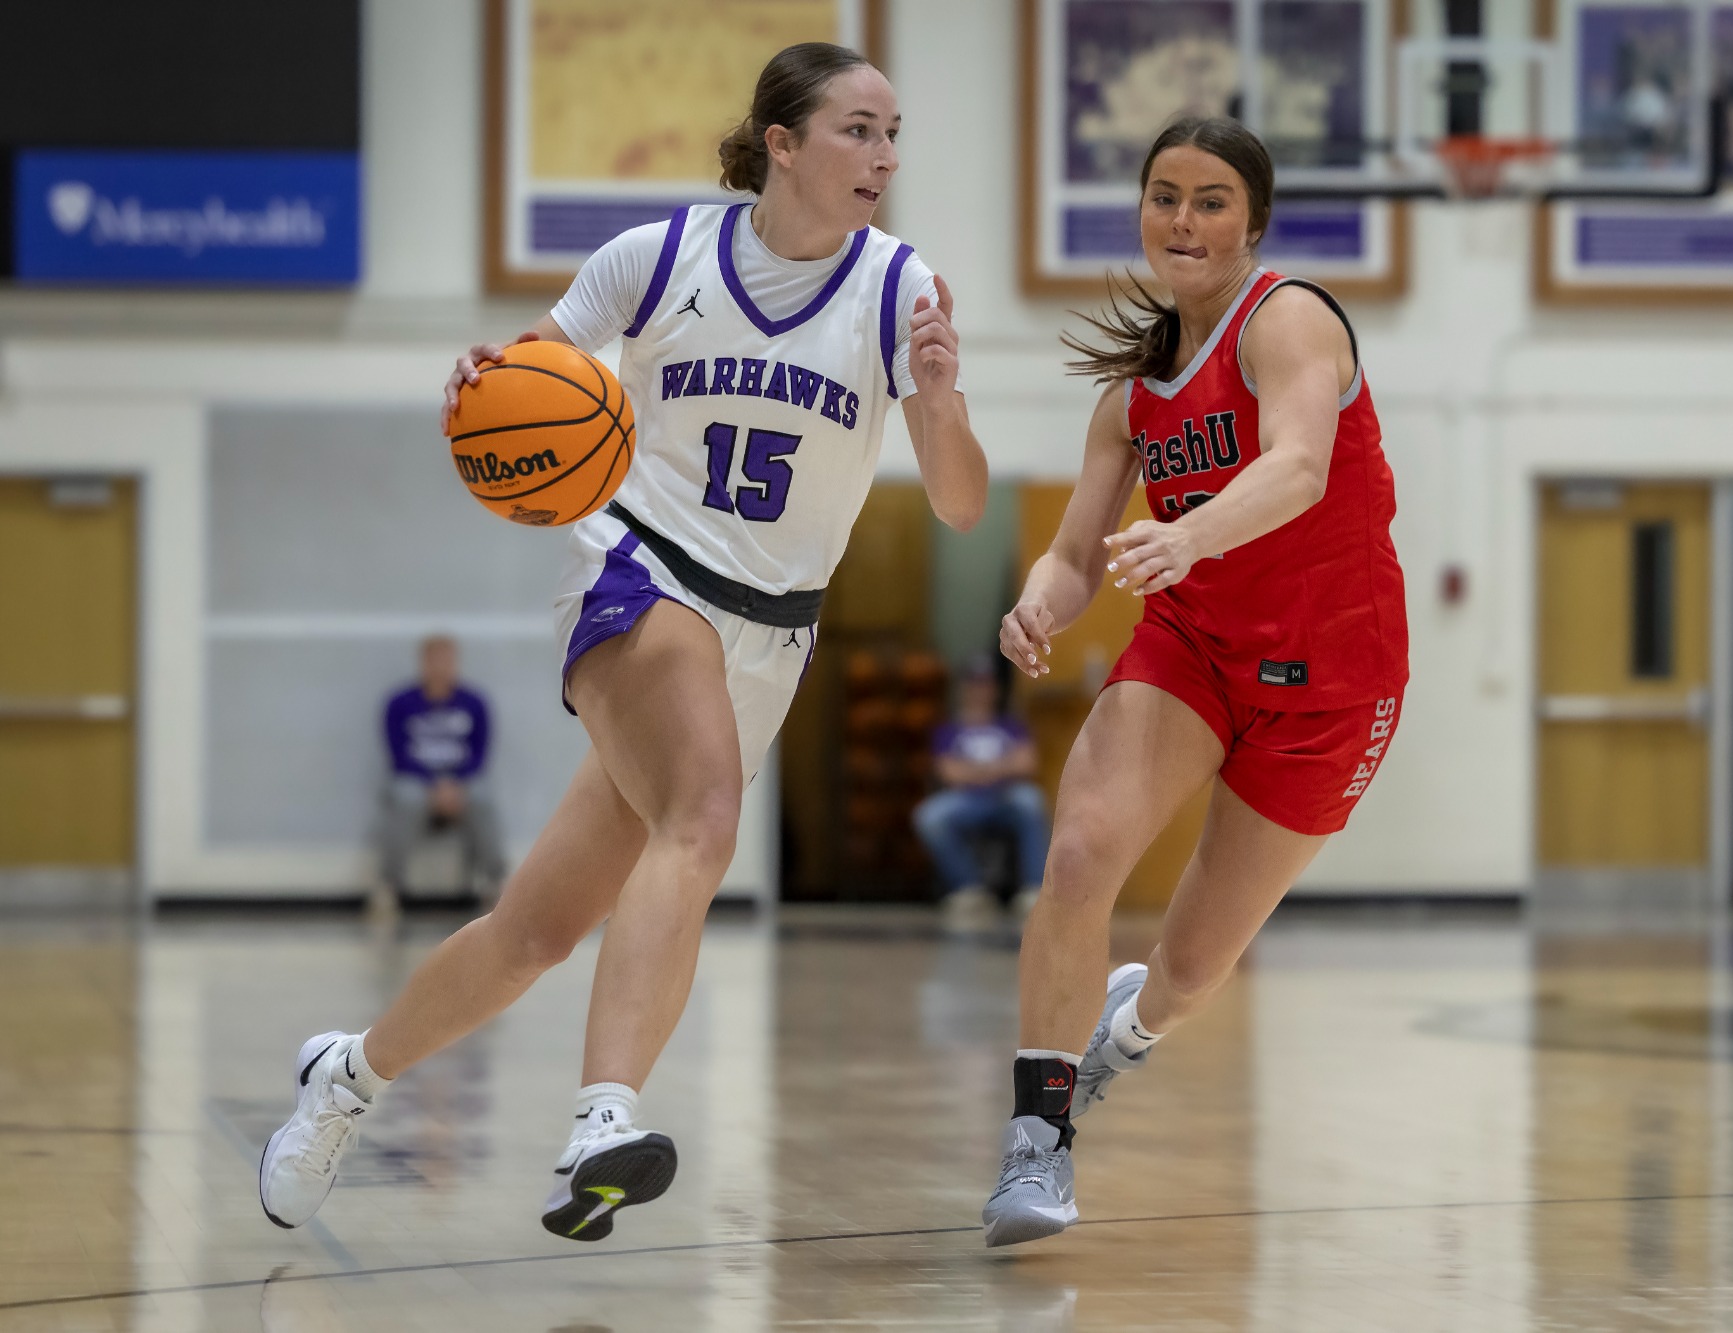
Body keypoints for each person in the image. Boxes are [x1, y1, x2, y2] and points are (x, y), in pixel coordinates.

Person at [259, 43, 985, 1242]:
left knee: (535, 930)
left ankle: (347, 1074)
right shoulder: (654, 260)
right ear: (783, 143)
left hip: (774, 635)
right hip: (635, 572)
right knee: (703, 819)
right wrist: (481, 381)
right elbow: (522, 376)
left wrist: (945, 400)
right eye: (859, 129)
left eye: (894, 131)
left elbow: (959, 502)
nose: (886, 156)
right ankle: (603, 1119)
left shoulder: (903, 290)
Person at [978, 117, 1408, 1246]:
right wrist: (1036, 599)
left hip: (1332, 678)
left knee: (1188, 968)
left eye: (1210, 199)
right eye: (1164, 195)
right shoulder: (1131, 396)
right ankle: (1037, 1143)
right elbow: (1073, 557)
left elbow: (1300, 465)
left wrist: (1192, 533)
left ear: (1250, 222)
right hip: (1194, 649)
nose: (1183, 218)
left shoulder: (1289, 319)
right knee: (1077, 856)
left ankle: (1124, 1032)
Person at [912, 656, 1047, 922]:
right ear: (964, 688)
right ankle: (969, 888)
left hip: (1006, 798)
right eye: (974, 684)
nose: (980, 690)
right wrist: (999, 769)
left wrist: (976, 772)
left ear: (994, 689)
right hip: (965, 800)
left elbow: (1027, 763)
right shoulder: (948, 730)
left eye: (985, 684)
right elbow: (948, 772)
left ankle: (1034, 888)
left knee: (1031, 801)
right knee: (929, 816)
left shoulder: (1010, 726)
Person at [377, 635, 506, 900]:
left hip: (461, 780)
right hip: (416, 780)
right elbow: (398, 755)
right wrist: (434, 786)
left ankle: (496, 881)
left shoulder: (475, 703)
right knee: (406, 798)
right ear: (422, 663)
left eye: (446, 660)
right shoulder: (399, 703)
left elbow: (479, 755)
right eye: (434, 660)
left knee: (483, 797)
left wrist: (453, 784)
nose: (440, 667)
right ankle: (389, 885)